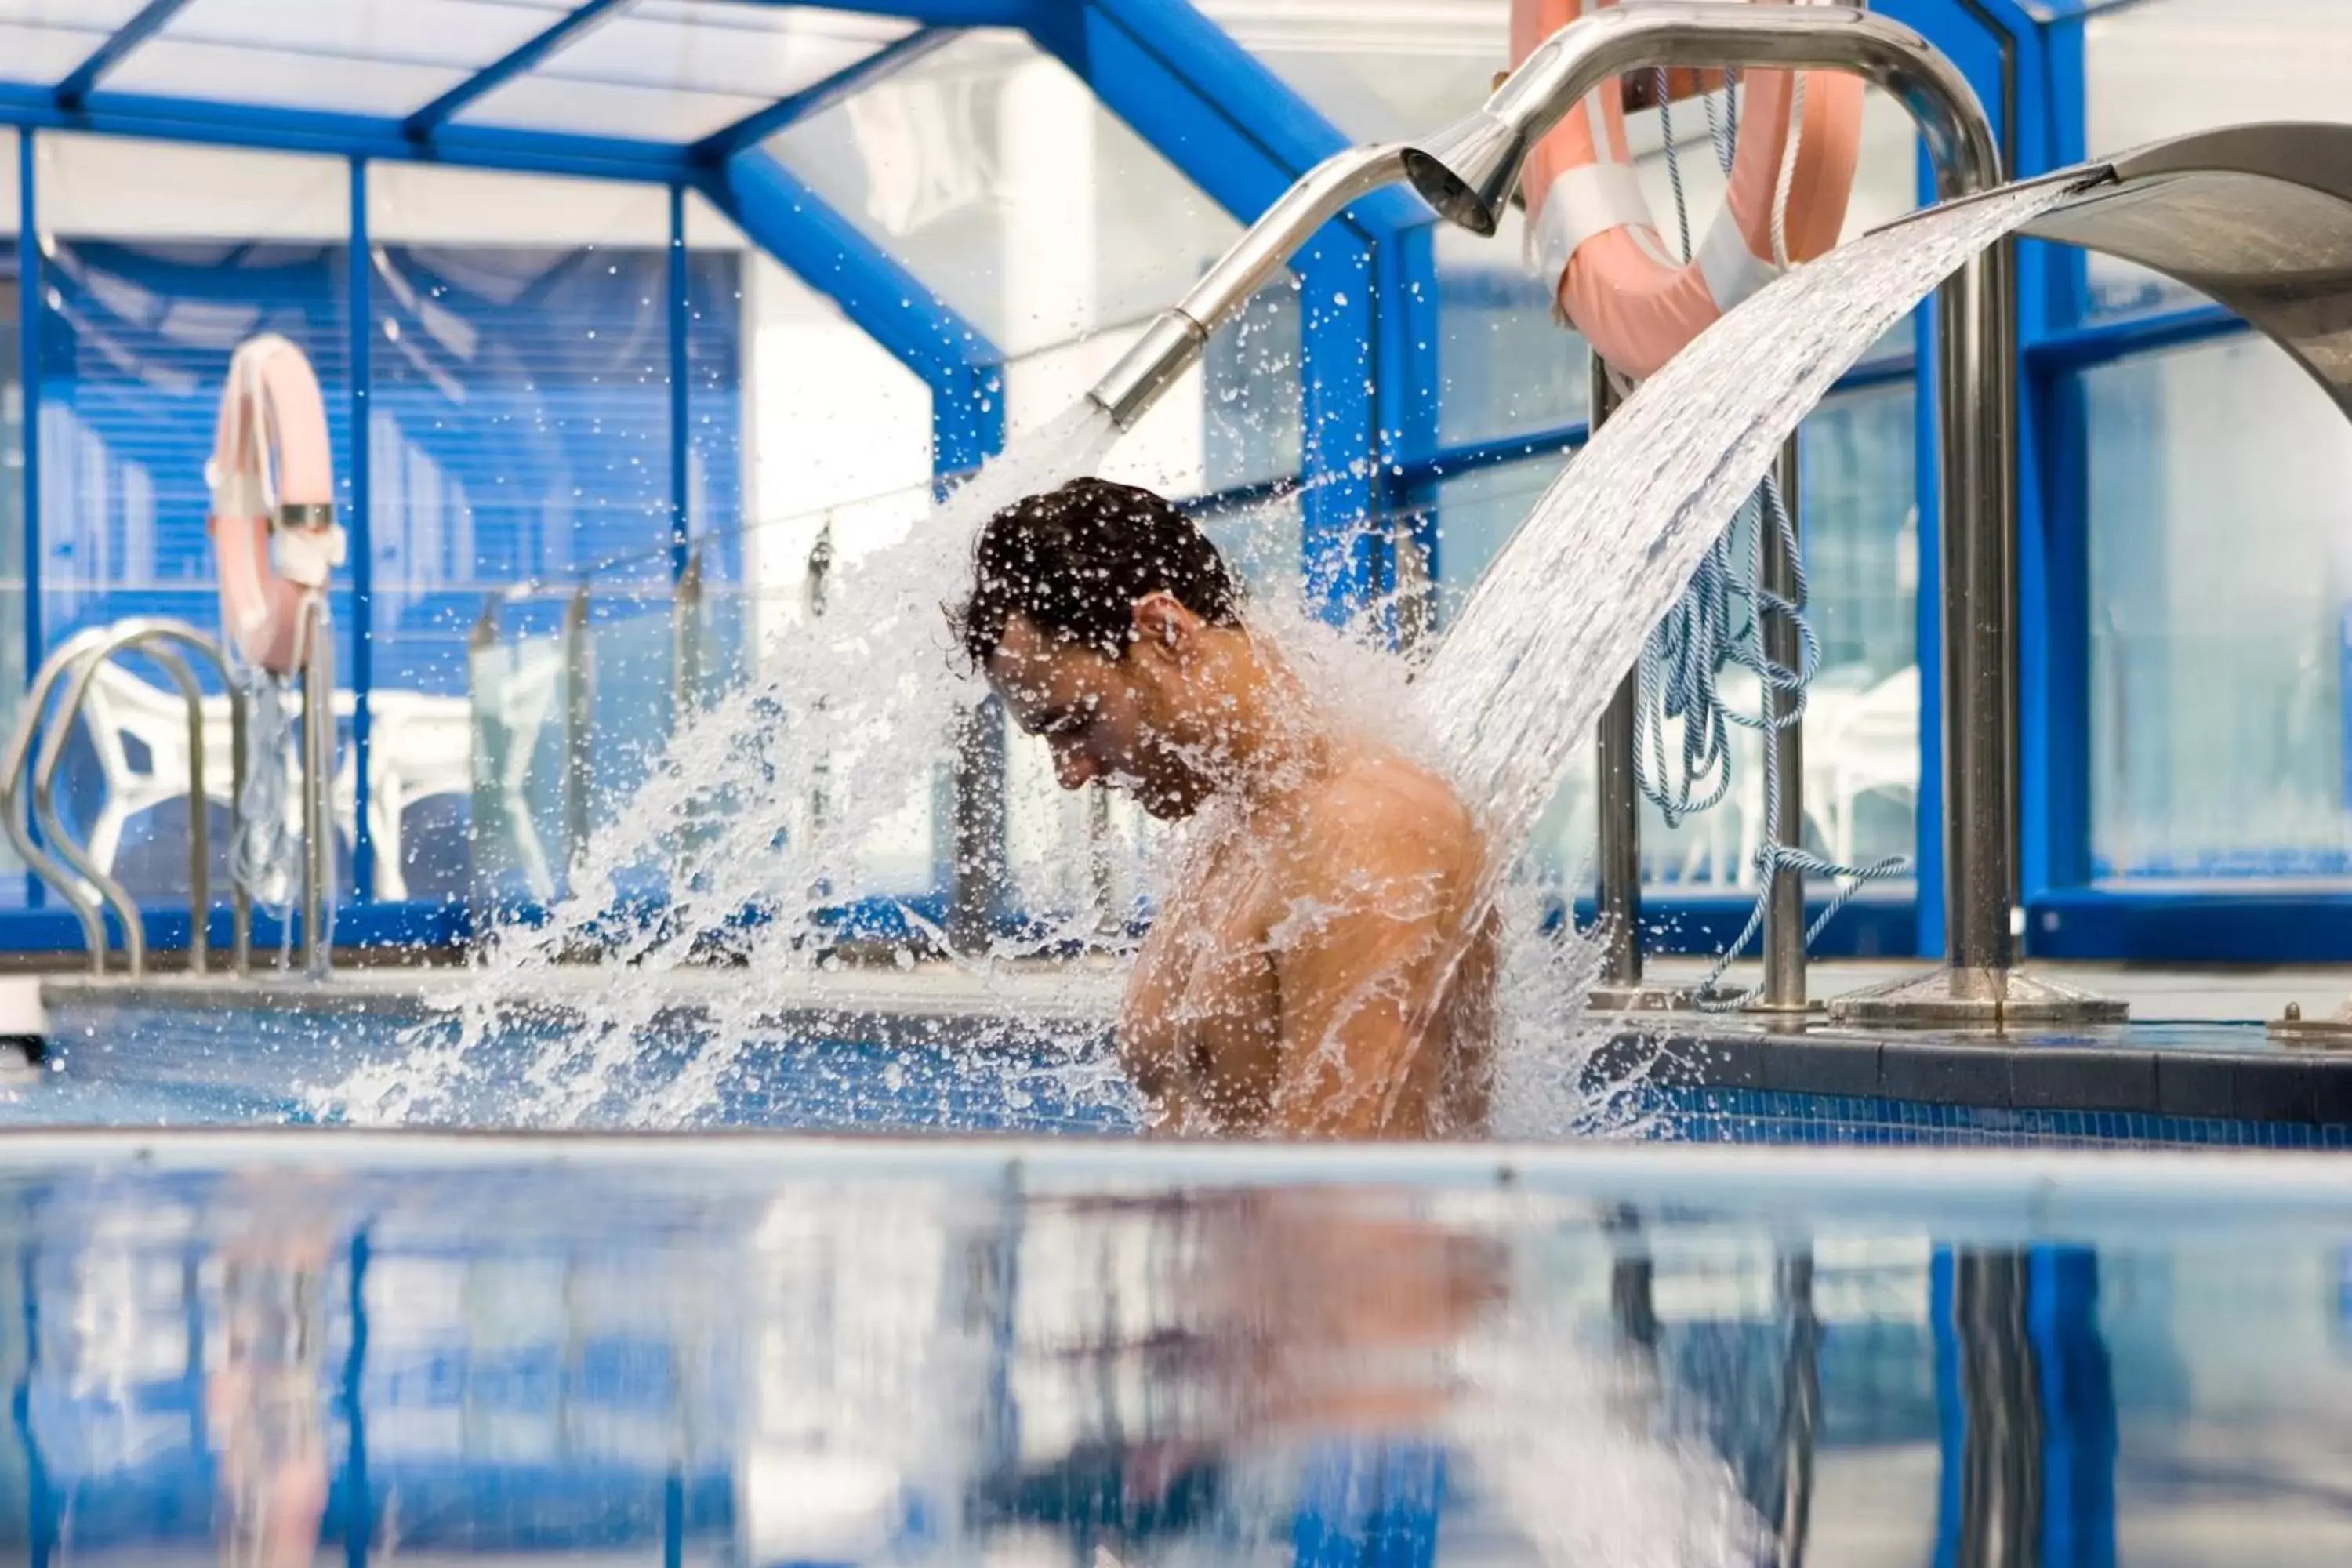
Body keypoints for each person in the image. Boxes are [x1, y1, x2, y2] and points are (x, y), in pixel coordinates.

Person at [947, 477, 1496, 1138]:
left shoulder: (1369, 831)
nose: (1071, 770)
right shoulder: (1240, 828)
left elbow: (1356, 1206)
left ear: (1165, 629)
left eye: (1077, 720)